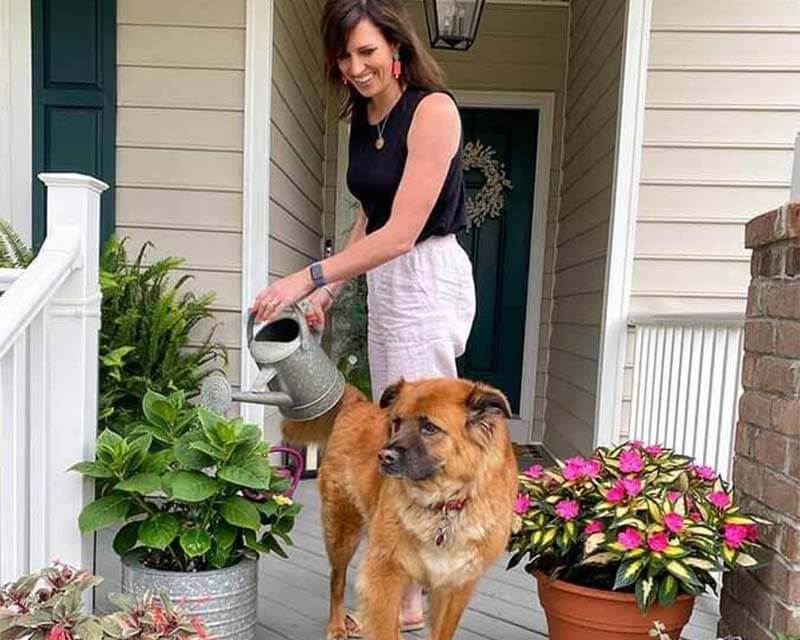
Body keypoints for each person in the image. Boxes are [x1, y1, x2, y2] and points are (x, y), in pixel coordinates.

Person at [250, 0, 476, 634]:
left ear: (397, 49)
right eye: (345, 56)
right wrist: (331, 289)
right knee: (395, 433)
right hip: (386, 281)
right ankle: (405, 575)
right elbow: (370, 216)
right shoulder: (363, 114)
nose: (356, 67)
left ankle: (416, 589)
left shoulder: (433, 111)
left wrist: (305, 278)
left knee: (424, 437)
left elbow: (403, 232)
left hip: (426, 274)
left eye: (368, 52)